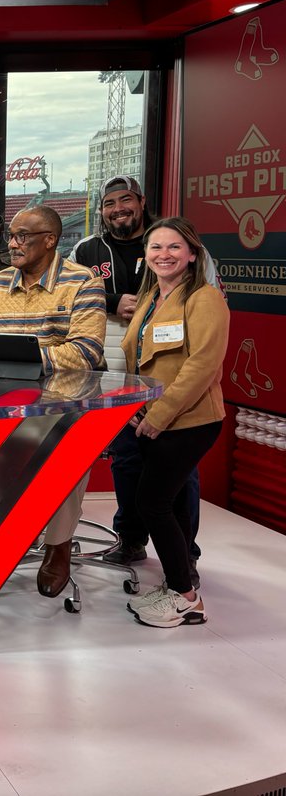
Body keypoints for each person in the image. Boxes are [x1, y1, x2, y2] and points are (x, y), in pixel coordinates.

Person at [69, 175, 217, 574]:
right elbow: (69, 297)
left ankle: (184, 554)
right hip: (118, 370)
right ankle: (131, 539)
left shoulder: (191, 275)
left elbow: (203, 353)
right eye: (109, 203)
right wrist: (114, 301)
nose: (118, 208)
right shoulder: (88, 249)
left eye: (126, 200)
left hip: (175, 385)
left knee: (175, 473)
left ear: (142, 201)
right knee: (126, 459)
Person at [0, 205, 106, 598]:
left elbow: (86, 351)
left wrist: (24, 361)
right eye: (11, 236)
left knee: (65, 456)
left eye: (22, 236)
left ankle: (58, 545)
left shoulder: (82, 283)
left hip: (64, 406)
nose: (12, 244)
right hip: (6, 403)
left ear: (50, 240)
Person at [121, 217, 228, 628]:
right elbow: (140, 355)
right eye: (155, 248)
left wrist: (160, 416)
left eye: (173, 247)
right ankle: (179, 586)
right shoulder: (151, 299)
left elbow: (202, 365)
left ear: (192, 253)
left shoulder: (204, 298)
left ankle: (185, 596)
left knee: (153, 503)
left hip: (188, 421)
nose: (163, 255)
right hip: (150, 417)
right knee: (175, 505)